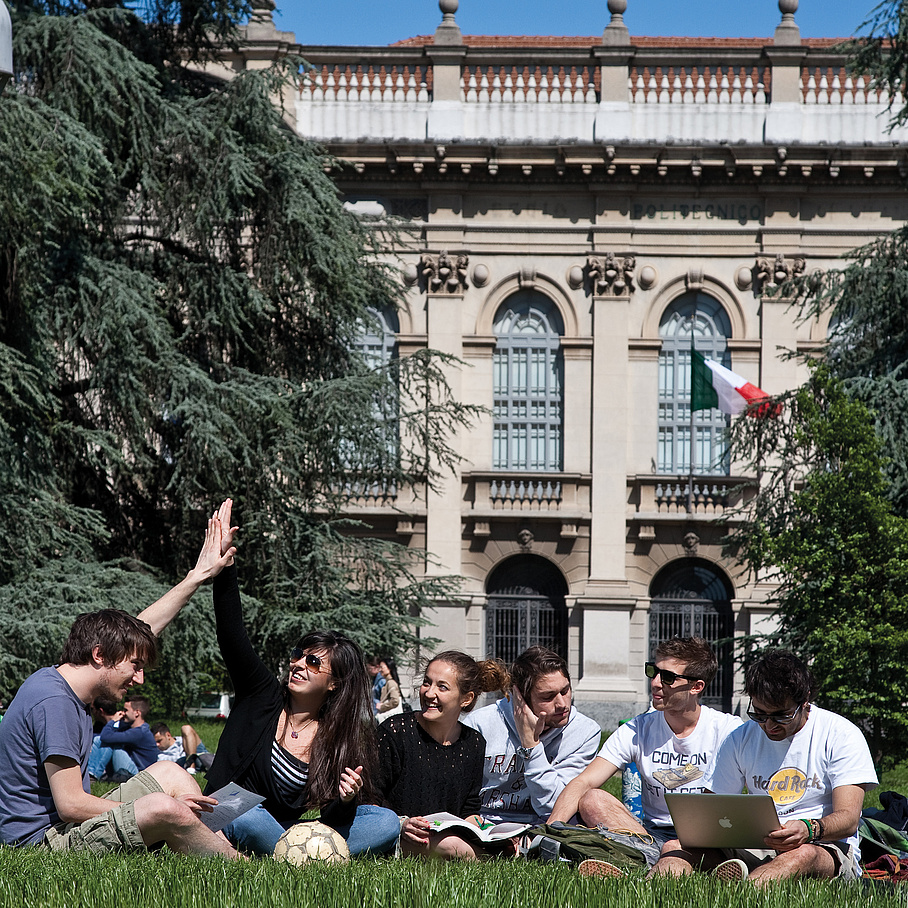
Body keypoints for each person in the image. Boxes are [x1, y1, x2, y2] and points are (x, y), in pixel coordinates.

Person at [0, 510, 241, 857]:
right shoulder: (53, 701)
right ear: (100, 655)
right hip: (43, 842)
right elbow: (70, 806)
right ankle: (240, 867)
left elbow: (141, 630)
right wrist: (160, 808)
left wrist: (198, 575)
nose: (139, 678)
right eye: (135, 667)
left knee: (171, 775)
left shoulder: (71, 681)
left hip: (64, 825)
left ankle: (215, 848)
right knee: (166, 806)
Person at [201, 499, 400, 857]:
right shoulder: (261, 695)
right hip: (234, 808)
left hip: (289, 827)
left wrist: (345, 799)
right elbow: (233, 635)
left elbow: (333, 815)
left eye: (312, 662)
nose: (298, 664)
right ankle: (305, 855)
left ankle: (295, 853)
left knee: (385, 821)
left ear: (335, 682)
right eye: (298, 655)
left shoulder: (339, 734)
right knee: (248, 817)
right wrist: (225, 564)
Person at [660, 649, 878, 884]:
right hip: (756, 845)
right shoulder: (740, 738)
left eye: (781, 716)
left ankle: (742, 891)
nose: (769, 725)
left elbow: (848, 819)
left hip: (821, 847)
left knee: (801, 855)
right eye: (759, 714)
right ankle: (649, 889)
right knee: (674, 847)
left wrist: (809, 829)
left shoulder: (841, 734)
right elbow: (711, 808)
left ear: (805, 701)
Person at [548, 636, 742, 876]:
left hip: (708, 837)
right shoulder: (638, 728)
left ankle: (635, 870)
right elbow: (584, 782)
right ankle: (662, 861)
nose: (655, 683)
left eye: (668, 677)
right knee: (592, 799)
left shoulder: (729, 730)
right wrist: (549, 832)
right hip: (650, 834)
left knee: (673, 847)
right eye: (654, 671)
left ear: (696, 687)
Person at [375, 651, 508, 859]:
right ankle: (489, 858)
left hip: (447, 835)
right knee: (451, 845)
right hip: (400, 836)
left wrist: (495, 832)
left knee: (463, 842)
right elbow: (371, 798)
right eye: (427, 683)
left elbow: (469, 810)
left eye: (442, 687)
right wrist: (402, 824)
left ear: (466, 699)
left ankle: (498, 851)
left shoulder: (474, 743)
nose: (429, 693)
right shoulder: (395, 731)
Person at [461, 645, 600, 826]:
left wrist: (531, 745)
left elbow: (553, 807)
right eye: (547, 697)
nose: (562, 704)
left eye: (565, 691)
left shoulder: (585, 732)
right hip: (485, 821)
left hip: (547, 824)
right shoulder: (480, 724)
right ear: (521, 698)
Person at [88, 695, 159, 781]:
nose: (123, 713)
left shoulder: (139, 732)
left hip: (140, 775)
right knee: (110, 742)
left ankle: (92, 775)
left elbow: (105, 737)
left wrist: (112, 721)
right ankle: (93, 775)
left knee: (108, 743)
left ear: (137, 713)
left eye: (126, 710)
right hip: (134, 770)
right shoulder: (133, 729)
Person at [375, 658, 403, 723]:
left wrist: (382, 707)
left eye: (382, 667)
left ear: (389, 668)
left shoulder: (391, 683)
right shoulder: (388, 682)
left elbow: (395, 701)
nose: (380, 670)